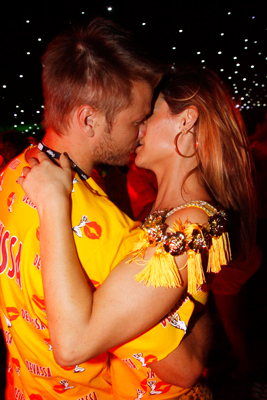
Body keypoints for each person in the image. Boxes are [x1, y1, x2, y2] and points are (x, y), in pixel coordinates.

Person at [0, 18, 210, 400]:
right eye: (136, 119)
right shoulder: (104, 229)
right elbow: (183, 366)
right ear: (88, 119)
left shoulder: (14, 173)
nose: (141, 131)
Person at [18, 66, 256, 399]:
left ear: (186, 120)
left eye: (147, 115)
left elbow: (74, 343)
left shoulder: (191, 222)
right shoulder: (167, 214)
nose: (137, 128)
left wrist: (53, 201)